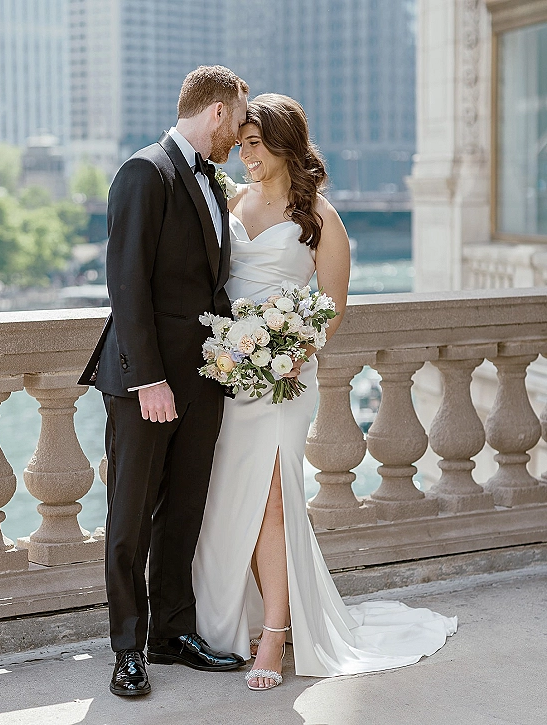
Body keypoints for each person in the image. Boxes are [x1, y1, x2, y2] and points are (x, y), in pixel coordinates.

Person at [192, 93, 457, 691]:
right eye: (240, 146)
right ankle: (238, 619)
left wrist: (289, 352)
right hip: (232, 373)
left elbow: (332, 308)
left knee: (274, 503)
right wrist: (233, 348)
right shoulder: (234, 201)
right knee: (232, 498)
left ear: (284, 145)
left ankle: (275, 637)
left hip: (286, 378)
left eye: (255, 145)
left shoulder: (320, 218)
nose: (245, 156)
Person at [79, 65, 249, 697]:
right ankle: (128, 647)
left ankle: (172, 633)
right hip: (143, 381)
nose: (240, 129)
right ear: (216, 113)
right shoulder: (144, 172)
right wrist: (149, 379)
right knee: (128, 519)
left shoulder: (212, 179)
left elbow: (209, 286)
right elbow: (126, 285)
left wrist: (241, 352)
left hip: (204, 379)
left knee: (183, 512)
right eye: (239, 114)